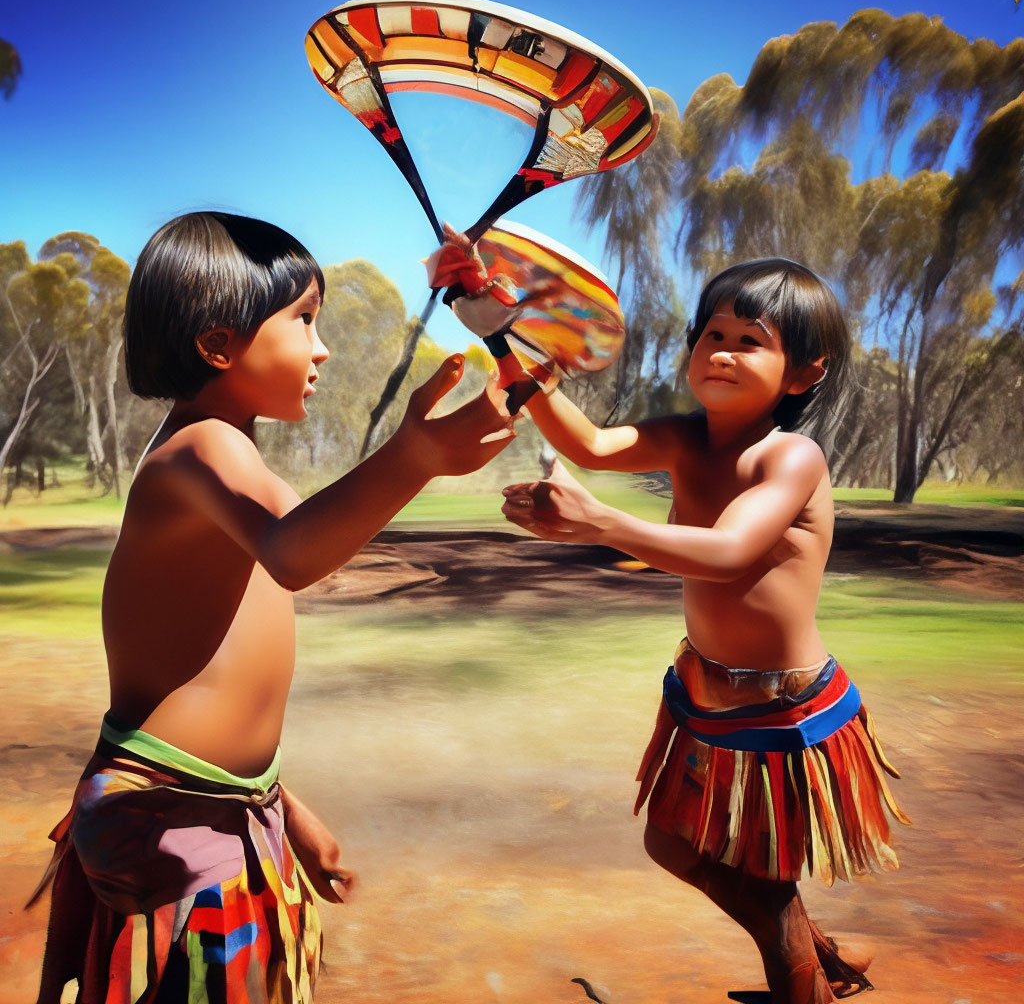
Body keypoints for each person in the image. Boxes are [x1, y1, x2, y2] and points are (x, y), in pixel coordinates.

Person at [30, 211, 517, 1004]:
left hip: (213, 806)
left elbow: (224, 652)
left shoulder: (225, 453)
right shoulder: (204, 447)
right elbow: (297, 556)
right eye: (303, 320)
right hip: (172, 817)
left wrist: (288, 814)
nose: (321, 347)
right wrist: (418, 455)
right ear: (220, 345)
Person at [487, 257, 911, 1003]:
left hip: (786, 710)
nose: (720, 351)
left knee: (762, 879)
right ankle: (822, 957)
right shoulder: (686, 437)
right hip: (704, 695)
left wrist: (600, 521)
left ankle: (803, 977)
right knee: (675, 843)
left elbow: (730, 553)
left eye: (750, 340)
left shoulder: (791, 455)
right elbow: (589, 446)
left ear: (802, 374)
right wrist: (499, 338)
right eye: (712, 333)